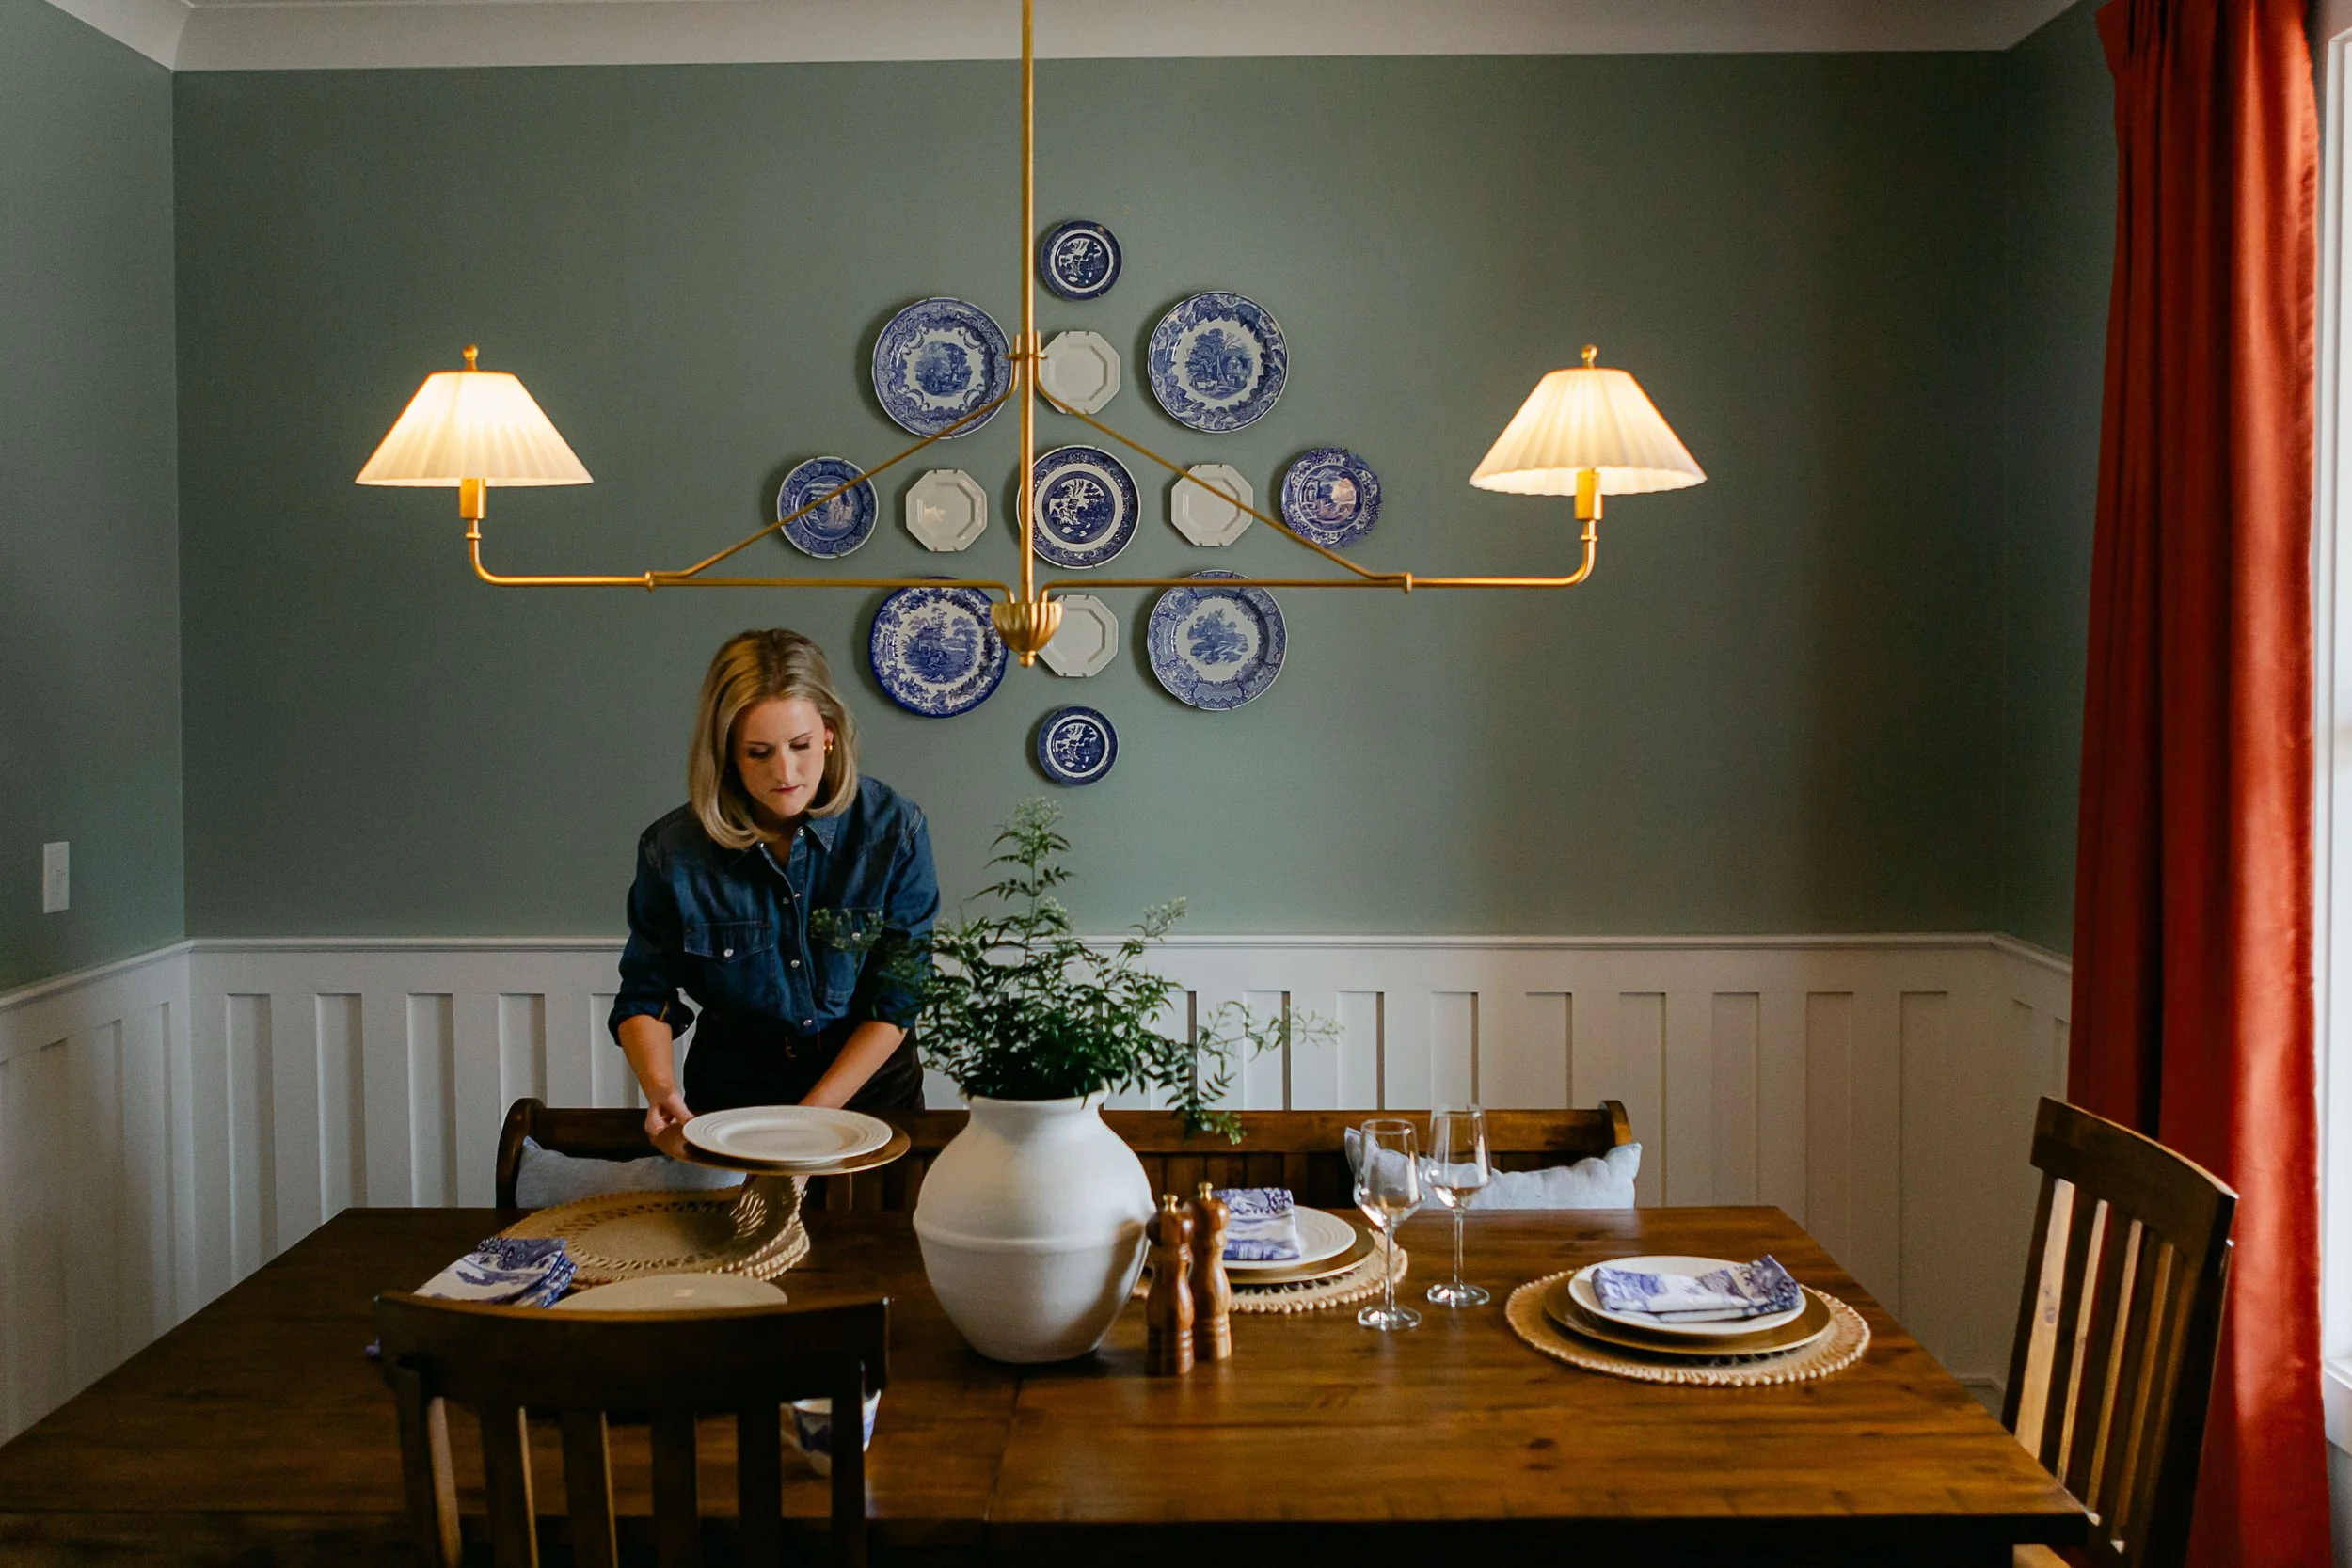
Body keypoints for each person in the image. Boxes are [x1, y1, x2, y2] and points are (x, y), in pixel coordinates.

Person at [609, 628, 937, 1155]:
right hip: (734, 1102)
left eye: (801, 746)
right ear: (727, 754)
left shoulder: (893, 831)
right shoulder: (673, 851)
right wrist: (662, 1089)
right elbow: (645, 996)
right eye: (758, 753)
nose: (785, 772)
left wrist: (804, 1128)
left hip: (871, 1096)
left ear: (829, 732)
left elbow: (895, 1003)